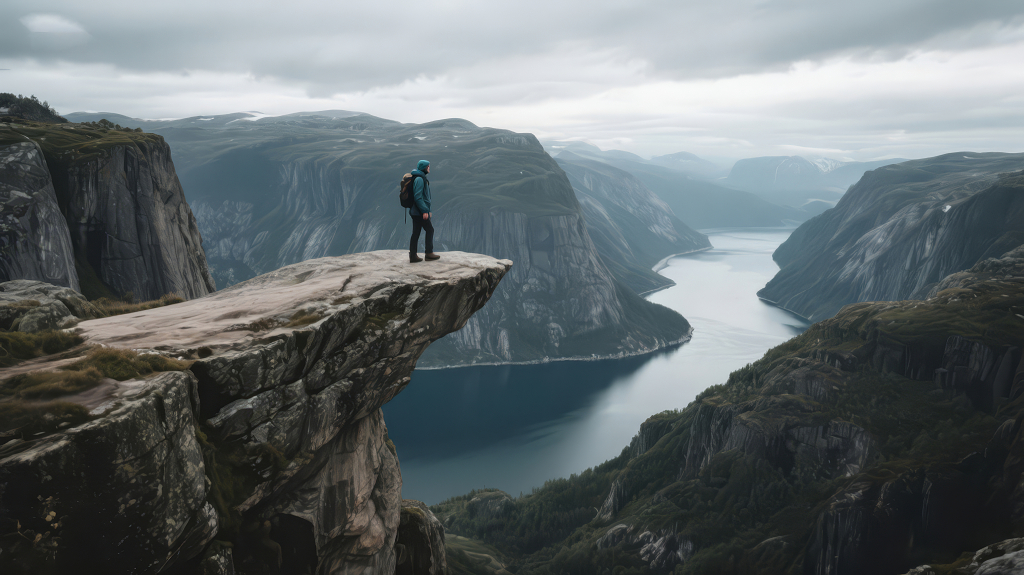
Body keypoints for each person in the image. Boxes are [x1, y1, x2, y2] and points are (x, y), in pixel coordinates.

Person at [409, 159, 440, 263]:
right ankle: (429, 253)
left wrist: (428, 210)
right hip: (419, 212)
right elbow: (418, 197)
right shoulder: (420, 179)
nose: (429, 168)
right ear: (424, 168)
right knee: (430, 230)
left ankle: (413, 256)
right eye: (428, 166)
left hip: (416, 211)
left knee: (416, 233)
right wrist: (424, 211)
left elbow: (423, 197)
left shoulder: (420, 178)